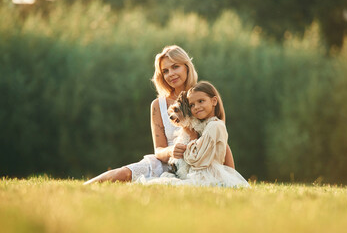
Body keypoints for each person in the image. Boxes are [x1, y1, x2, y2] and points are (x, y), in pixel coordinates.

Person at [83, 45, 235, 185]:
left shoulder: (200, 99)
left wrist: (232, 176)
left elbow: (220, 139)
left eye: (175, 67)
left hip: (195, 164)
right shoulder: (158, 105)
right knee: (124, 173)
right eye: (165, 71)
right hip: (164, 162)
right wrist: (172, 150)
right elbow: (159, 150)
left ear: (187, 67)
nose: (171, 74)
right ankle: (85, 187)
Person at [138, 81, 250, 188]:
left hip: (207, 175)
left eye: (201, 101)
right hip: (206, 173)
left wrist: (191, 138)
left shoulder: (213, 126)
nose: (196, 107)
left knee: (167, 184)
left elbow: (196, 159)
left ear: (214, 101)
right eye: (192, 105)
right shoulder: (216, 126)